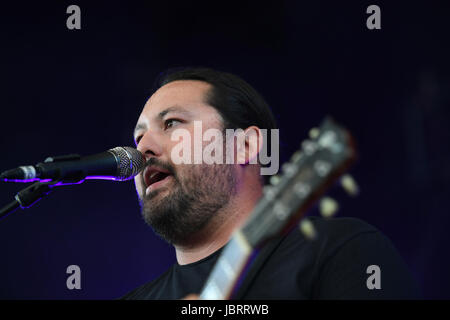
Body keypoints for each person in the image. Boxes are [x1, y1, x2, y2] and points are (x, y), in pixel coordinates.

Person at [121, 67, 420, 299]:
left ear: (246, 146)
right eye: (138, 137)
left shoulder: (340, 252)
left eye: (171, 122)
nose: (141, 148)